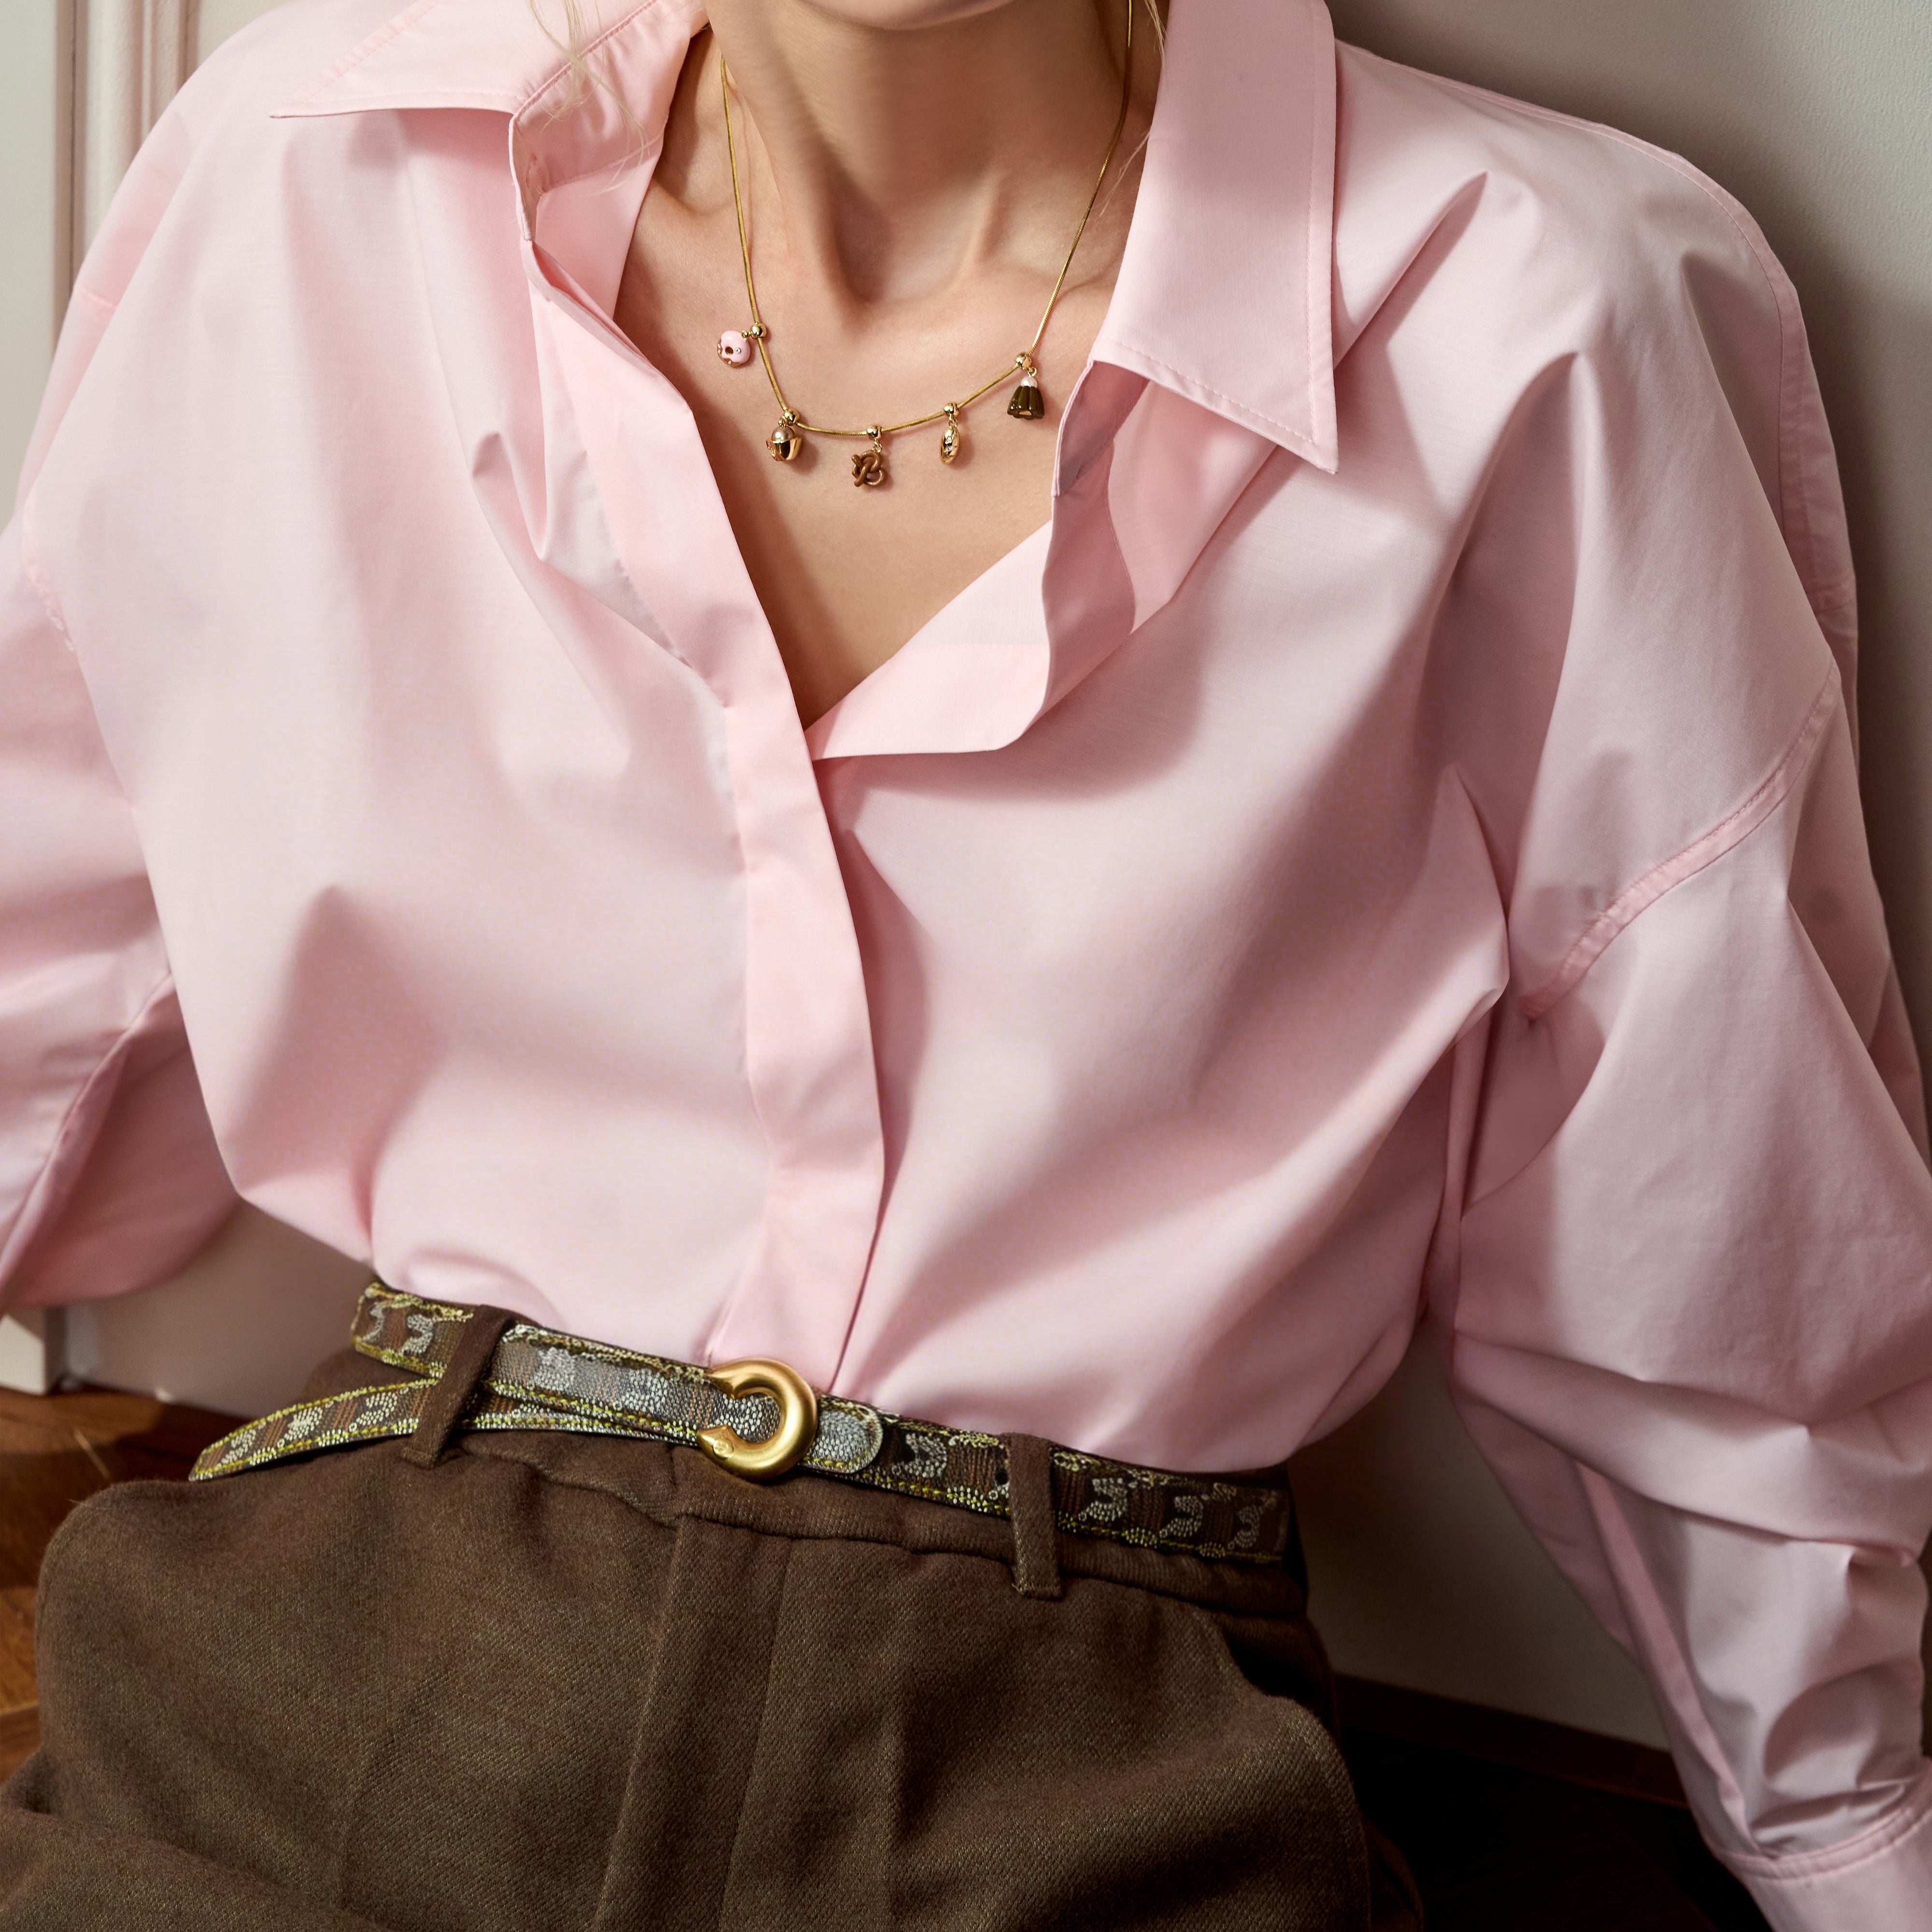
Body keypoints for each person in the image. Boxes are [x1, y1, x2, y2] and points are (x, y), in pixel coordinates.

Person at [2, 0, 1929, 1923]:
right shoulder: (310, 169)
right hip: (304, 1703)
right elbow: (43, 943)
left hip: (1090, 1772)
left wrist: (1845, 1845)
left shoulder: (1520, 309)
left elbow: (1703, 1232)